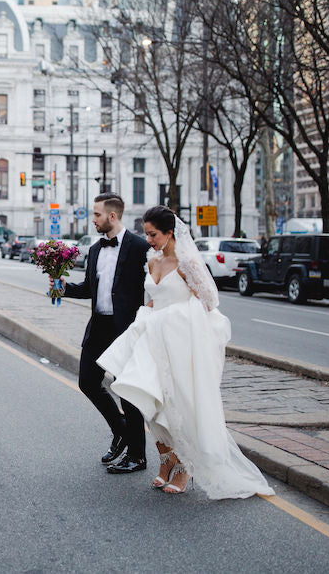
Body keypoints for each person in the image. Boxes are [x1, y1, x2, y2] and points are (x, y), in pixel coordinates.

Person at [98, 206, 273, 498]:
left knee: (175, 405)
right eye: (146, 233)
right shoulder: (152, 261)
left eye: (153, 234)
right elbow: (152, 301)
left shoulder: (188, 262)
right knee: (149, 403)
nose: (149, 239)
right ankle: (166, 459)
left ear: (169, 233)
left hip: (179, 341)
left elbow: (209, 301)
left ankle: (183, 466)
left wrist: (174, 320)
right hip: (151, 339)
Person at [59, 193, 151, 474]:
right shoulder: (97, 249)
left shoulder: (139, 247)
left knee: (125, 391)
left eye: (97, 215)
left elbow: (154, 284)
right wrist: (63, 288)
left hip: (125, 329)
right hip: (98, 325)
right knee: (87, 381)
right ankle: (121, 430)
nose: (93, 220)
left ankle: (137, 456)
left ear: (112, 216)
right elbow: (89, 287)